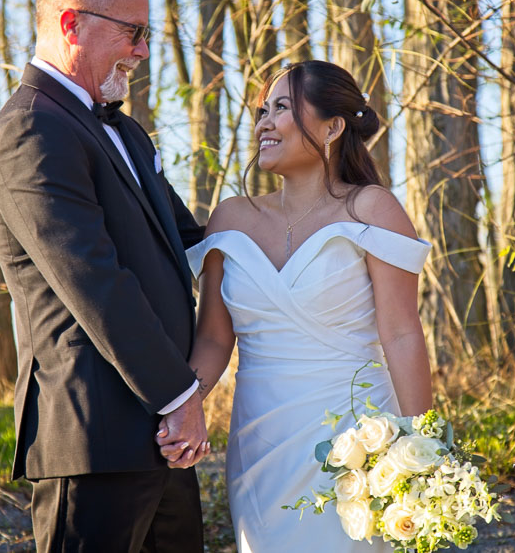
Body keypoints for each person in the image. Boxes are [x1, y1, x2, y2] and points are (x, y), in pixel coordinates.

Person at [0, 0, 210, 552]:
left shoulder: (124, 129)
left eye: (147, 33)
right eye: (133, 32)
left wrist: (298, 225)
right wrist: (182, 396)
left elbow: (185, 243)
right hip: (93, 440)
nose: (143, 50)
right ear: (70, 23)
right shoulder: (31, 129)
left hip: (164, 439)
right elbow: (94, 281)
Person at [160, 60, 433, 551]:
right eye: (263, 110)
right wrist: (185, 404)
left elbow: (402, 334)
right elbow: (215, 338)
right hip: (261, 438)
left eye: (281, 107)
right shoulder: (231, 217)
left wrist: (421, 445)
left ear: (332, 127)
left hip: (359, 435)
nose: (264, 121)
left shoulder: (371, 209)